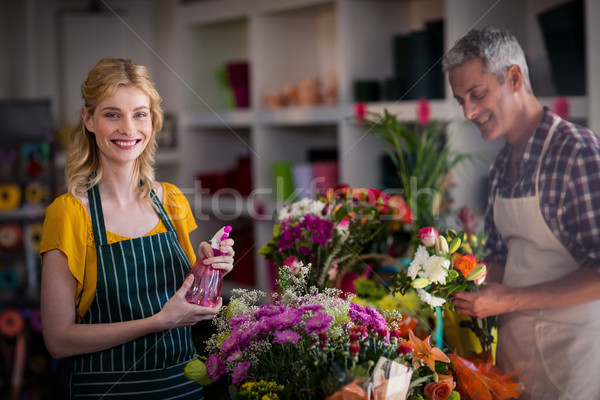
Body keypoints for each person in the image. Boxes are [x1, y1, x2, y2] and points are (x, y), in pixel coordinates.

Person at [40, 58, 235, 399]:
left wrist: (209, 266)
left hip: (183, 388)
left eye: (139, 114)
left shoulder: (171, 201)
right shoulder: (69, 213)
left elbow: (187, 301)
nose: (128, 129)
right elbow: (58, 340)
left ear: (153, 121)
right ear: (89, 120)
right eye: (112, 114)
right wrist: (160, 321)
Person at [443, 26, 600, 399]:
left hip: (574, 364)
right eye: (460, 100)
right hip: (515, 363)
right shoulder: (500, 165)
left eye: (477, 94)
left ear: (514, 77)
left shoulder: (576, 153)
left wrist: (507, 299)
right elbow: (500, 260)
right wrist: (455, 286)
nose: (468, 112)